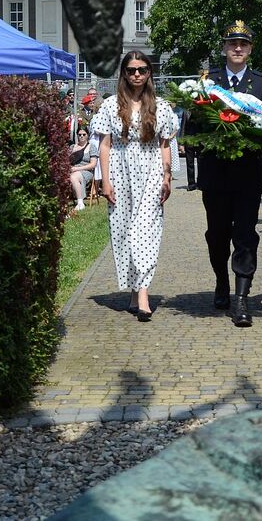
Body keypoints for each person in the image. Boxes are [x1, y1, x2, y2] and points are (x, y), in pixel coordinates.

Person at [190, 20, 262, 327]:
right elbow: (193, 125)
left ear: (250, 49)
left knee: (246, 236)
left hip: (247, 174)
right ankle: (221, 282)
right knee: (217, 235)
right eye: (232, 43)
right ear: (224, 48)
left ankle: (241, 298)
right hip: (215, 173)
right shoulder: (208, 82)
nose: (238, 48)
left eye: (243, 44)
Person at [95, 52, 175, 322]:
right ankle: (134, 290)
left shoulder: (161, 106)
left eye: (142, 69)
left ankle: (143, 296)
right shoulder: (110, 105)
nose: (137, 75)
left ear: (149, 72)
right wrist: (105, 181)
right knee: (124, 232)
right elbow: (104, 145)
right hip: (120, 171)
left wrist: (167, 177)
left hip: (151, 170)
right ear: (124, 73)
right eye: (131, 70)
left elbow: (165, 145)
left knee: (146, 232)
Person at [68, 125, 99, 211]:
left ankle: (80, 203)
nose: (81, 136)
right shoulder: (72, 147)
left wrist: (77, 169)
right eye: (79, 134)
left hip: (86, 171)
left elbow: (93, 164)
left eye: (84, 134)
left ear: (88, 135)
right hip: (72, 170)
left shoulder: (92, 147)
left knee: (74, 176)